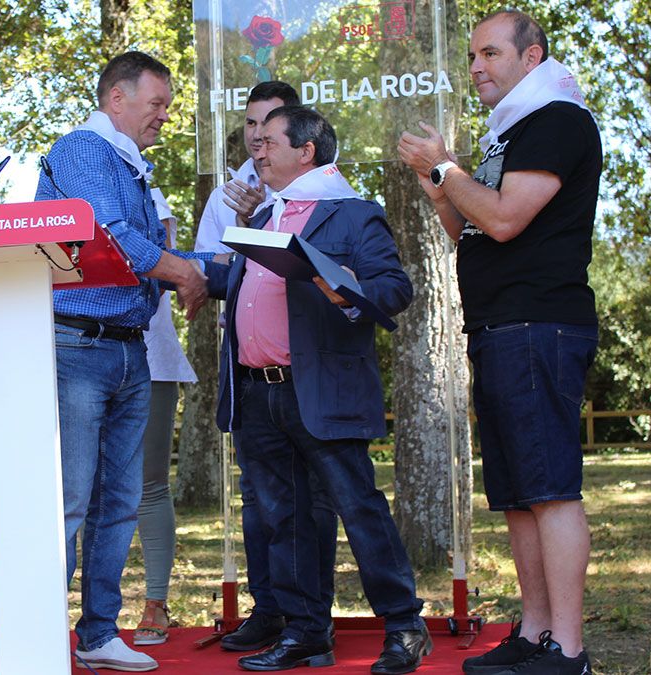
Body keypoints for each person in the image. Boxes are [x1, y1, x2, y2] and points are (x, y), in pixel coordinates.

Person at [397, 10, 601, 675]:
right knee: (517, 495)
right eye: (472, 55)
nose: (476, 66)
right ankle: (535, 632)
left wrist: (447, 167)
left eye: (490, 53)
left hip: (539, 324)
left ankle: (568, 649)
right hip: (498, 327)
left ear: (532, 56)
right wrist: (439, 181)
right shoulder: (509, 132)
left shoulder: (556, 121)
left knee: (551, 491)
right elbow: (472, 229)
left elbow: (507, 219)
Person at [205, 106, 429, 674]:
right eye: (255, 140)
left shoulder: (352, 214)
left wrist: (340, 286)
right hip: (258, 390)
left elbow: (392, 288)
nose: (257, 147)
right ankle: (307, 632)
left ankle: (405, 625)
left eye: (270, 140)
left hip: (321, 390)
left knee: (358, 510)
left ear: (306, 151)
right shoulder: (268, 214)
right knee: (287, 518)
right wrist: (183, 271)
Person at [34, 51, 222, 672]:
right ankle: (38, 639)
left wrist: (219, 268)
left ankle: (95, 635)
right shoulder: (86, 149)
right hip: (78, 347)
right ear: (117, 100)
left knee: (119, 500)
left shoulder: (128, 161)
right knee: (71, 500)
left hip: (126, 348)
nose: (163, 117)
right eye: (157, 104)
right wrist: (184, 271)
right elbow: (111, 235)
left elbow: (152, 251)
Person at [194, 80, 341, 654]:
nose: (258, 137)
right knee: (260, 499)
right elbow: (215, 267)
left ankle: (312, 618)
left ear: (299, 137)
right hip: (250, 369)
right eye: (251, 126)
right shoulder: (227, 193)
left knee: (315, 500)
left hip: (307, 370)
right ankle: (269, 610)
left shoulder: (320, 188)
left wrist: (265, 223)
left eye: (270, 126)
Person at [131, 188, 197, 646]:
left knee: (150, 482)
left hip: (152, 358)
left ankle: (156, 601)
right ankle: (94, 608)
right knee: (90, 488)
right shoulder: (74, 182)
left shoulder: (152, 195)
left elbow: (169, 268)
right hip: (84, 353)